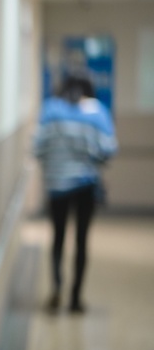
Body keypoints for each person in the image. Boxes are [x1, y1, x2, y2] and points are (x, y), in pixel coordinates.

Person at [34, 75, 116, 314]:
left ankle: (56, 287)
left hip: (56, 185)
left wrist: (55, 164)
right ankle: (76, 298)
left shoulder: (50, 110)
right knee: (82, 240)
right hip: (85, 186)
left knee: (58, 237)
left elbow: (37, 148)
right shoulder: (97, 113)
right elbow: (108, 150)